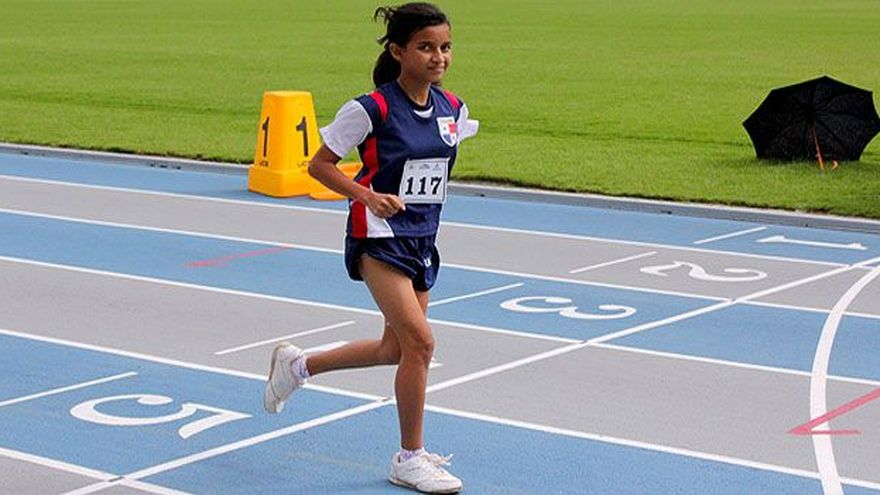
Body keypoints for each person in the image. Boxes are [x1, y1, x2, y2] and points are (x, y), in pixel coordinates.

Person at [263, 3, 477, 493]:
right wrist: (368, 196)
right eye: (425, 47)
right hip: (377, 237)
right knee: (421, 344)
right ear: (398, 51)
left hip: (422, 239)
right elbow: (319, 165)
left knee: (393, 349)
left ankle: (299, 365)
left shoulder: (453, 109)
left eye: (445, 47)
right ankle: (410, 458)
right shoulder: (371, 109)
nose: (438, 57)